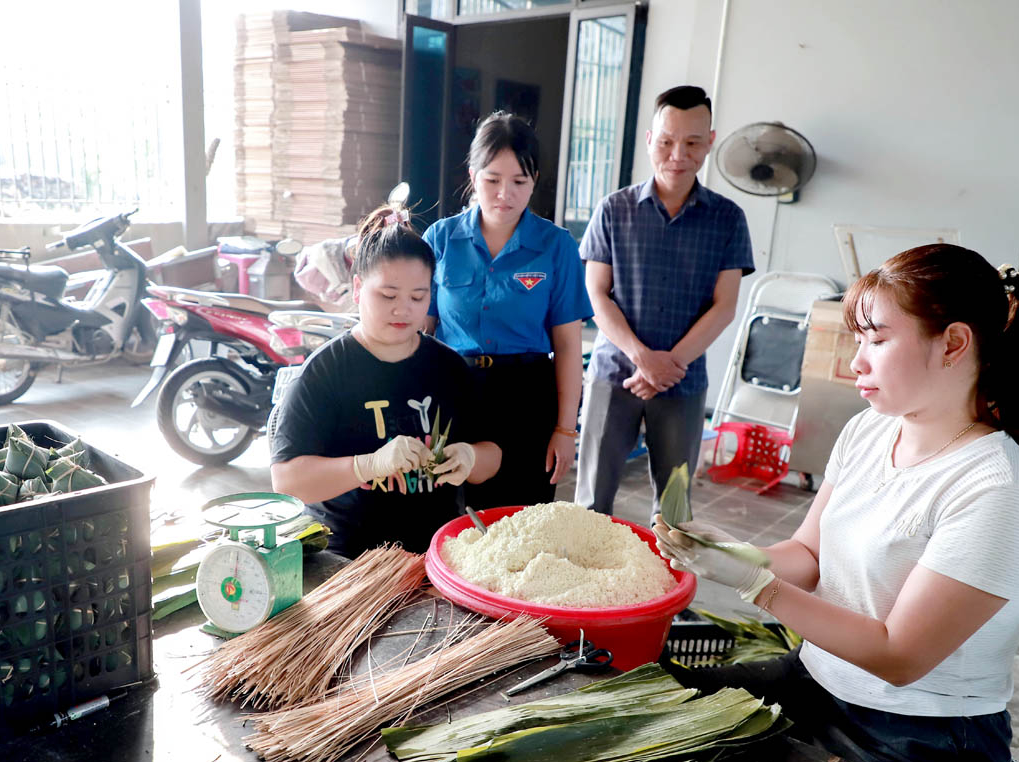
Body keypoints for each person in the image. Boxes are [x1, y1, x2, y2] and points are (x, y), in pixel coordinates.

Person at [652, 243, 1019, 762]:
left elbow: (899, 656)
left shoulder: (998, 486)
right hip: (817, 680)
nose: (857, 360)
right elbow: (808, 552)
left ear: (953, 343)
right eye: (859, 339)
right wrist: (735, 555)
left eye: (877, 339)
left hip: (918, 738)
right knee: (656, 717)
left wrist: (760, 588)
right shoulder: (869, 430)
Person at [270, 204, 502, 558]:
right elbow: (287, 481)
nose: (404, 309)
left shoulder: (449, 367)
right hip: (348, 557)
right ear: (358, 287)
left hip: (436, 555)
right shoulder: (326, 371)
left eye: (418, 297)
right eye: (388, 295)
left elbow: (492, 457)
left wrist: (470, 457)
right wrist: (368, 465)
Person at [575, 85, 754, 515]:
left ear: (710, 141)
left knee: (673, 511)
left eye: (693, 142)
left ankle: (662, 582)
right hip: (613, 375)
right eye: (668, 141)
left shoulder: (728, 218)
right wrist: (643, 359)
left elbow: (724, 306)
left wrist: (666, 366)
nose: (679, 153)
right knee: (589, 505)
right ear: (650, 140)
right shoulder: (613, 210)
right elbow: (596, 294)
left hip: (683, 382)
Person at [422, 111, 591, 509]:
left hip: (528, 398)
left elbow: (568, 347)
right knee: (451, 514)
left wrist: (566, 431)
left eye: (520, 181)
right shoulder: (441, 239)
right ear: (472, 174)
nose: (505, 194)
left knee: (520, 513)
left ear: (535, 182)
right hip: (454, 392)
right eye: (493, 180)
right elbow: (420, 331)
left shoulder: (557, 246)